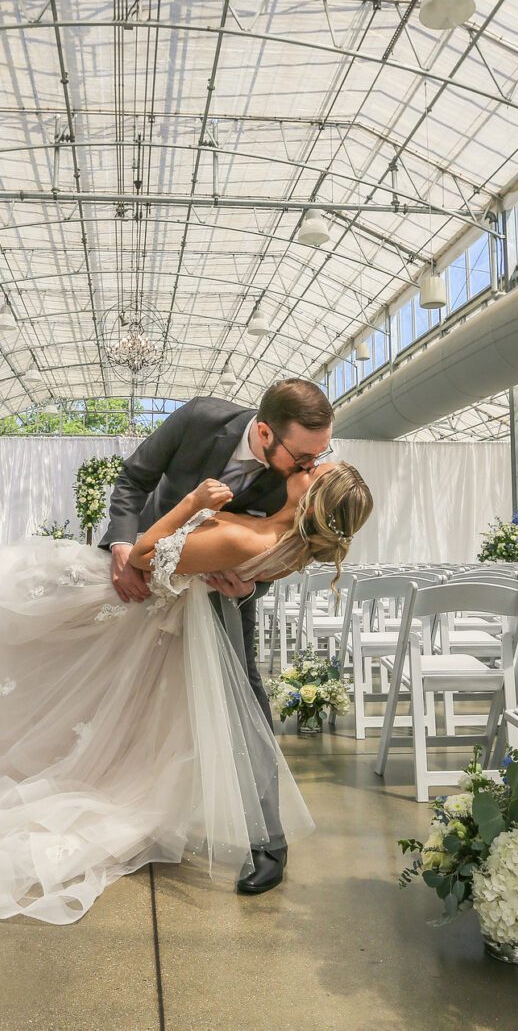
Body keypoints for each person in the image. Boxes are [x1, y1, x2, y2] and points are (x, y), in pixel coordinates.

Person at [0, 459, 372, 925]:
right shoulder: (287, 543)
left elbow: (146, 554)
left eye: (316, 470)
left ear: (313, 498)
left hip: (127, 594)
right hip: (164, 614)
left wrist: (193, 503)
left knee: (14, 586)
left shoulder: (248, 537)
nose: (308, 464)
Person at [101, 379, 335, 893]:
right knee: (125, 689)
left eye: (321, 454)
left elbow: (291, 546)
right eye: (302, 457)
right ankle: (122, 804)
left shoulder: (300, 478)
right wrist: (122, 546)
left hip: (226, 596)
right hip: (145, 572)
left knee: (244, 697)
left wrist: (252, 582)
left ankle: (269, 841)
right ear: (266, 432)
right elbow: (133, 481)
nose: (310, 469)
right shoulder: (201, 417)